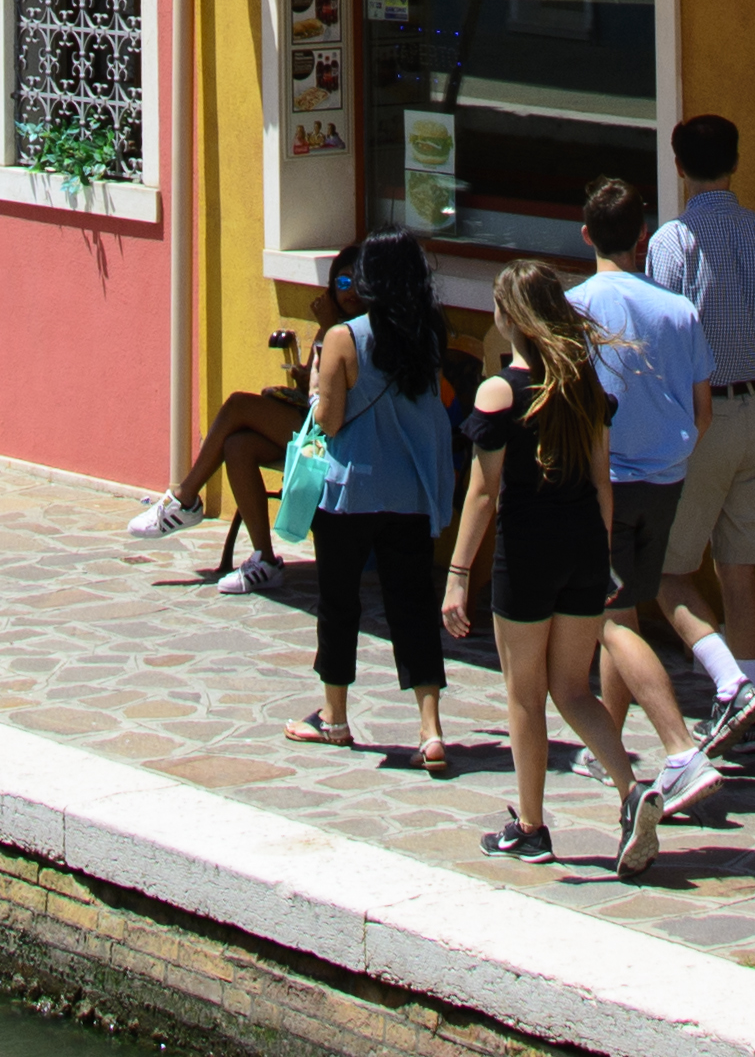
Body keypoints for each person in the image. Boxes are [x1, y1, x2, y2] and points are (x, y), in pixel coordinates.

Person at [443, 261, 659, 877]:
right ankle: (631, 789)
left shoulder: (499, 390)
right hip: (584, 549)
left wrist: (458, 575)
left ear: (509, 316)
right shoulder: (584, 384)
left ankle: (532, 827)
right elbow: (602, 483)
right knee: (573, 690)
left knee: (524, 695)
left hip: (529, 553)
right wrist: (607, 556)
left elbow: (484, 494)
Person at [562, 181, 728, 807]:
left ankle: (679, 747)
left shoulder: (573, 308)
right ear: (642, 237)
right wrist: (677, 452)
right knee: (625, 611)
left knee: (611, 621)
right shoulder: (679, 310)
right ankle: (609, 748)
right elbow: (702, 407)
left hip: (606, 484)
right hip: (666, 478)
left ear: (585, 235)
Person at [649, 113, 755, 719]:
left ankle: (728, 688)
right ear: (736, 161)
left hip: (700, 416)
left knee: (664, 570)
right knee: (742, 574)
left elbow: (663, 345)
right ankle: (743, 701)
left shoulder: (671, 243)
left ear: (680, 167)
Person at [287, 233, 459, 774]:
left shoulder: (344, 338)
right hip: (407, 491)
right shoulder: (428, 337)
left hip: (349, 492)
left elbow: (331, 420)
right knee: (412, 605)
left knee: (339, 602)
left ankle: (335, 717)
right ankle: (430, 727)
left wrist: (316, 384)